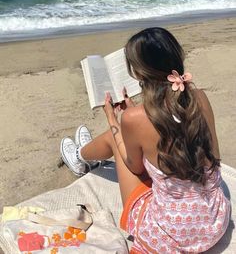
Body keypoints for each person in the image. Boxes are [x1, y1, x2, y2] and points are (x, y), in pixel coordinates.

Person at [60, 27, 231, 253]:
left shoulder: (135, 118)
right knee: (132, 136)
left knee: (115, 136)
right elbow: (213, 155)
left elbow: (135, 166)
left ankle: (79, 157)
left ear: (139, 73)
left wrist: (114, 119)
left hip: (172, 235)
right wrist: (134, 116)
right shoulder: (198, 97)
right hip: (213, 222)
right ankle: (82, 154)